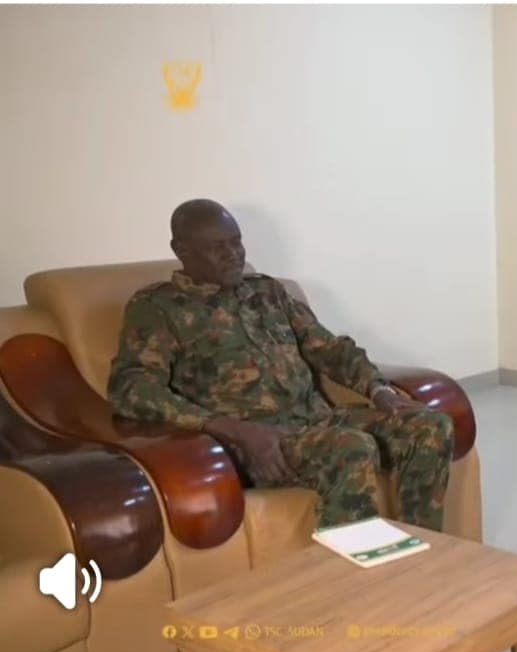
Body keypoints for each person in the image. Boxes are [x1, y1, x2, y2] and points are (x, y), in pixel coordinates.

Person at [108, 199, 453, 531]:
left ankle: (424, 551)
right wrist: (235, 431)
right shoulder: (158, 308)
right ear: (181, 250)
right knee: (351, 448)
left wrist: (378, 390)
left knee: (429, 425)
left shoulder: (266, 292)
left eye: (237, 242)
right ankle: (349, 569)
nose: (233, 254)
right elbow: (132, 388)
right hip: (258, 441)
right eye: (217, 247)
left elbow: (329, 348)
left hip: (318, 420)